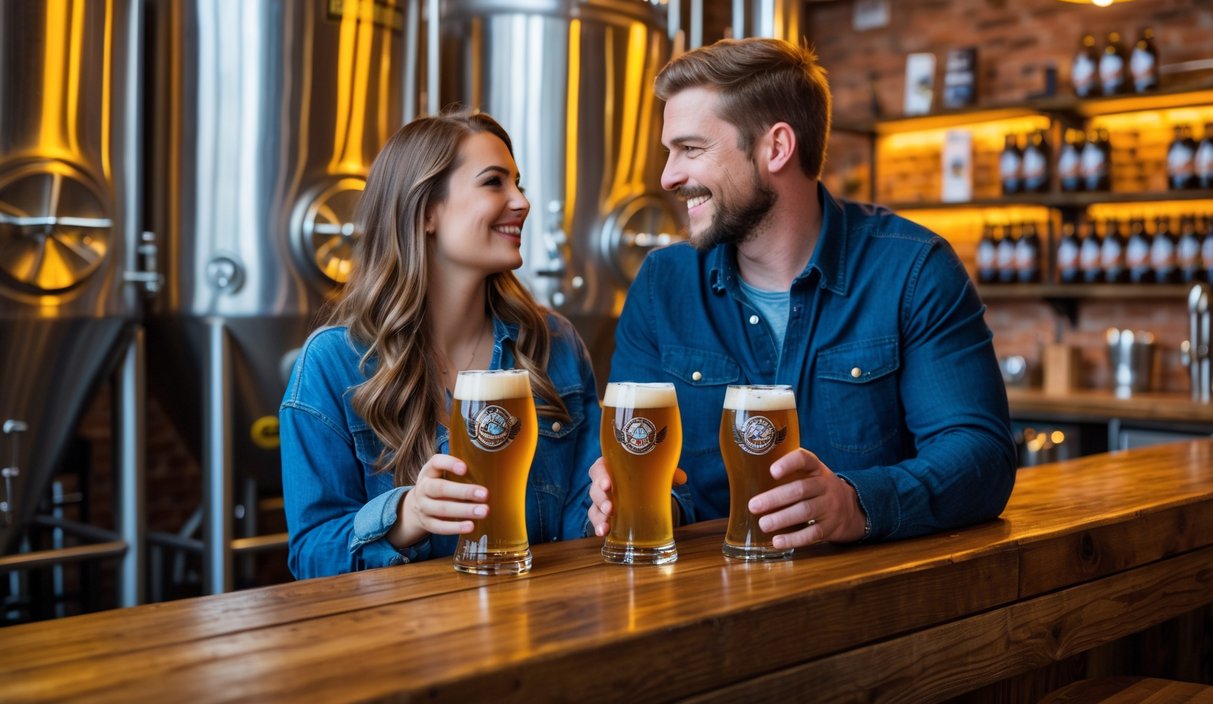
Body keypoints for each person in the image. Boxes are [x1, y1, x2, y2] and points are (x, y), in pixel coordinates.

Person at [589, 38, 1016, 549]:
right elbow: (666, 477)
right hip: (701, 603)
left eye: (691, 149)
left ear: (776, 147)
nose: (669, 176)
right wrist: (632, 496)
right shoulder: (663, 284)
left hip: (872, 605)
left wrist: (857, 504)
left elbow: (981, 455)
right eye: (669, 152)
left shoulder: (912, 269)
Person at [280, 111, 600, 578]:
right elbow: (311, 555)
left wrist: (608, 511)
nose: (522, 202)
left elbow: (577, 523)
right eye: (494, 183)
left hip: (537, 629)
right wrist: (405, 517)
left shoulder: (553, 344)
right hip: (404, 641)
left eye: (519, 184)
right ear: (426, 211)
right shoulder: (333, 363)